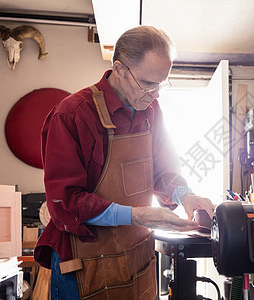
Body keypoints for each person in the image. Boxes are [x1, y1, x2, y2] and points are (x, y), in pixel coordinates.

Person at [34, 25, 215, 300]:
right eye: (148, 84)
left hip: (137, 256)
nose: (155, 95)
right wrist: (138, 215)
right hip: (86, 263)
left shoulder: (150, 109)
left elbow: (164, 171)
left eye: (161, 84)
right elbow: (66, 203)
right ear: (118, 69)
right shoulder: (71, 116)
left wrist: (186, 195)